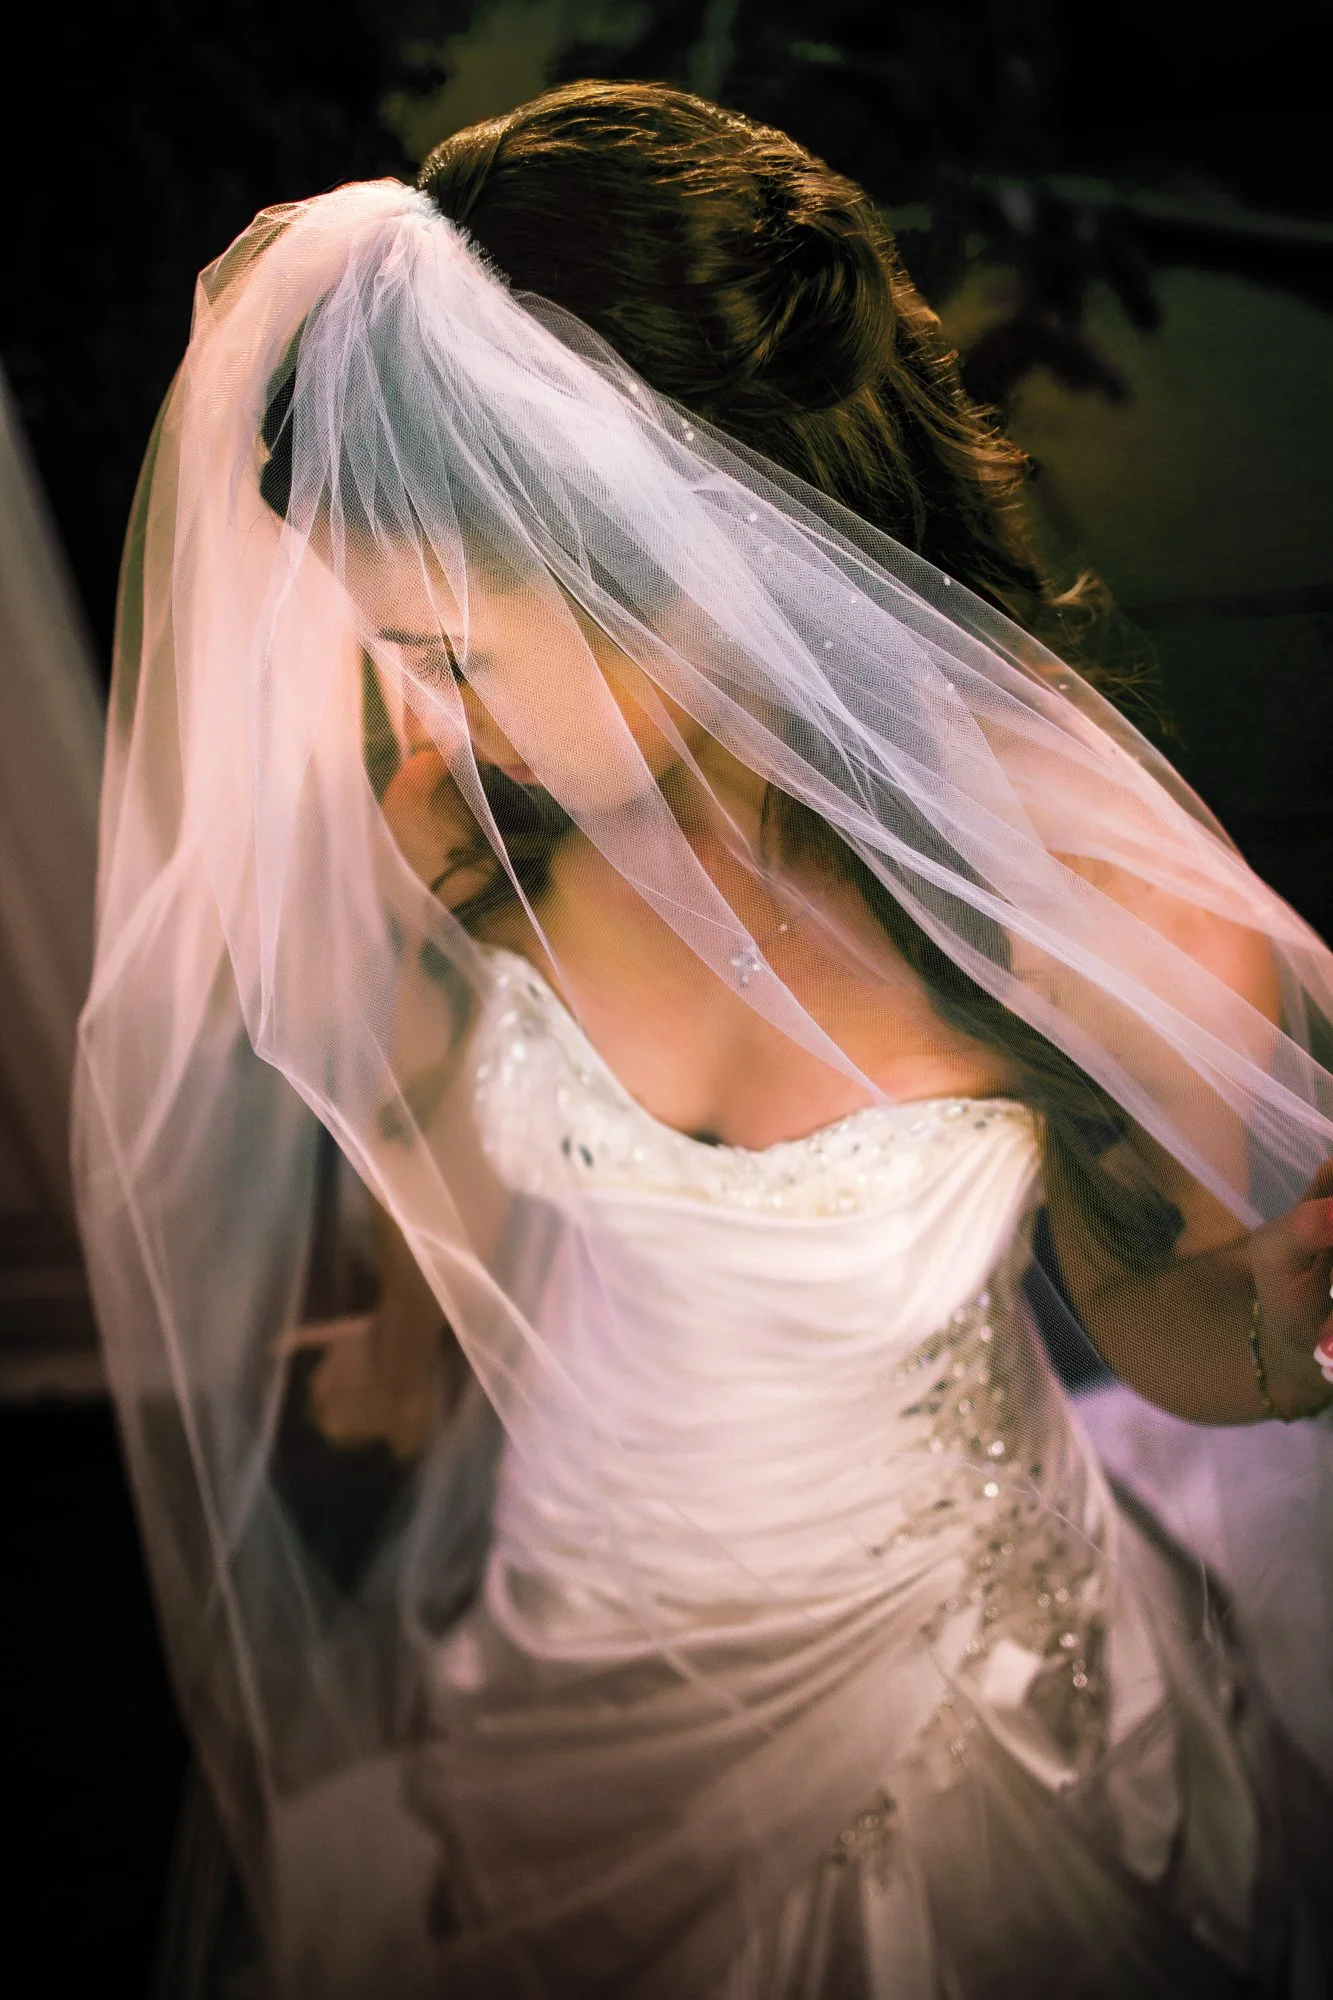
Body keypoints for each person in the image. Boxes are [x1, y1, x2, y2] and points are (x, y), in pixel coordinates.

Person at [73, 81, 1333, 2000]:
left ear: (689, 564)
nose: (418, 718)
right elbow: (439, 1094)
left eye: (453, 655)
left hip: (930, 1664)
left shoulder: (1053, 902)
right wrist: (406, 1318)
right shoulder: (475, 810)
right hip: (573, 1581)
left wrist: (1287, 1327)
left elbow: (1165, 1316)